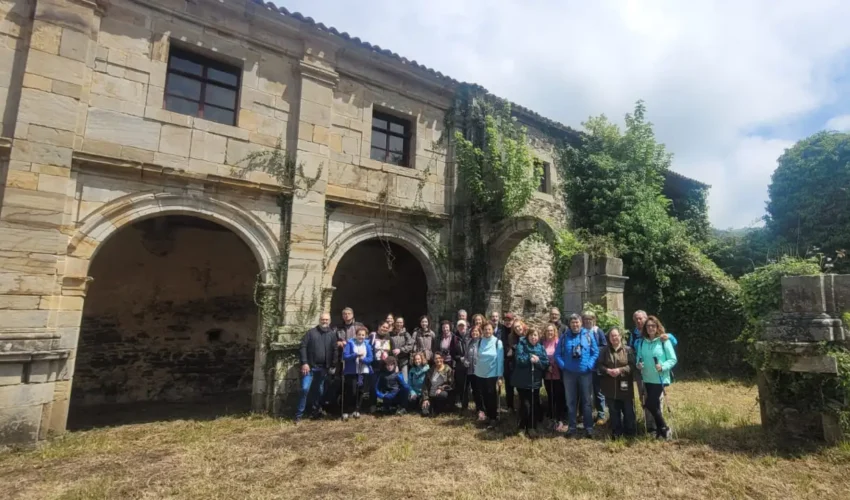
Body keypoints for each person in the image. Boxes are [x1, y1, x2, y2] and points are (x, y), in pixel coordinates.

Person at [630, 309, 677, 433]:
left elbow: (673, 359)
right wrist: (638, 364)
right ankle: (658, 429)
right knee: (651, 403)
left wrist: (663, 366)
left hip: (660, 377)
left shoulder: (664, 340)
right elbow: (638, 356)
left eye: (653, 325)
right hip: (646, 377)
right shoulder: (641, 342)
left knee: (651, 403)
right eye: (648, 326)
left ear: (657, 327)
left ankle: (663, 427)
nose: (650, 328)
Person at [556, 314, 599, 438]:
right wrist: (564, 366)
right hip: (569, 374)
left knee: (587, 401)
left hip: (585, 373)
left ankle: (588, 427)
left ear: (581, 323)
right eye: (573, 322)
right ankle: (572, 427)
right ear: (570, 324)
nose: (575, 325)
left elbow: (595, 352)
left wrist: (589, 365)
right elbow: (557, 354)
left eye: (577, 322)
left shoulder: (588, 335)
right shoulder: (564, 337)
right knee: (570, 401)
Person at [295, 312, 338, 423]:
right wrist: (304, 363)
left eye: (327, 320)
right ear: (319, 320)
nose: (325, 321)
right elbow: (303, 347)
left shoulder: (332, 334)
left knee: (319, 390)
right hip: (309, 367)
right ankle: (299, 415)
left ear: (330, 321)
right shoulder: (311, 333)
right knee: (305, 389)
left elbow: (335, 350)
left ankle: (316, 412)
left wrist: (333, 365)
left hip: (323, 368)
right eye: (323, 319)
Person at [597, 327, 636, 438]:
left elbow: (632, 366)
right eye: (612, 336)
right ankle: (617, 432)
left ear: (620, 336)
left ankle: (630, 432)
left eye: (616, 335)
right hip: (610, 386)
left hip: (625, 386)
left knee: (628, 410)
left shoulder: (628, 350)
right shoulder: (604, 351)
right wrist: (607, 371)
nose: (614, 338)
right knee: (614, 411)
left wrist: (620, 370)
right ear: (609, 338)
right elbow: (599, 365)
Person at [511, 328, 549, 437]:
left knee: (534, 405)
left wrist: (538, 361)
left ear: (538, 337)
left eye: (535, 335)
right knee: (525, 405)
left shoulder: (541, 347)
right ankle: (522, 427)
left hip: (535, 382)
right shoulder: (521, 345)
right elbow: (519, 359)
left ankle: (532, 427)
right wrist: (529, 357)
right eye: (531, 335)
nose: (533, 337)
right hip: (522, 381)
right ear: (527, 336)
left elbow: (545, 363)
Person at [474, 322, 504, 429]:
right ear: (483, 330)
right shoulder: (479, 341)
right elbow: (477, 357)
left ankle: (493, 418)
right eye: (485, 329)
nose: (487, 331)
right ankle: (487, 415)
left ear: (492, 330)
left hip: (492, 374)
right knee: (483, 396)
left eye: (489, 329)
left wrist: (500, 376)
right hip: (480, 373)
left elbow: (500, 360)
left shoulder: (497, 342)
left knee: (491, 396)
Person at [582, 310, 608, 425]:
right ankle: (587, 415)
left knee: (598, 392)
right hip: (584, 367)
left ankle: (601, 415)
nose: (588, 321)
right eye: (586, 319)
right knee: (585, 392)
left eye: (590, 319)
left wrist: (593, 349)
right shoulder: (581, 331)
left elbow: (604, 346)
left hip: (596, 367)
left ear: (594, 320)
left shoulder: (598, 331)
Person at [342, 326, 373, 421]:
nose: (361, 336)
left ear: (365, 336)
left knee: (360, 391)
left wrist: (363, 359)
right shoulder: (350, 343)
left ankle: (357, 410)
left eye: (363, 335)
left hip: (363, 371)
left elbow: (370, 358)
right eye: (359, 334)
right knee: (351, 391)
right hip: (351, 371)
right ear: (356, 335)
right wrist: (355, 355)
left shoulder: (367, 345)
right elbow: (345, 356)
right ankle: (346, 410)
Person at [541, 322, 566, 432]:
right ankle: (552, 418)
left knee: (559, 396)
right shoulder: (543, 343)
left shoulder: (558, 342)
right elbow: (541, 357)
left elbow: (562, 355)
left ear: (555, 331)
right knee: (550, 396)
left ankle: (560, 419)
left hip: (558, 374)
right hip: (548, 374)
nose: (549, 332)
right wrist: (547, 366)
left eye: (551, 330)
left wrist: (555, 364)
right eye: (548, 331)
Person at [368, 321, 393, 412]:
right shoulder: (373, 336)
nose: (384, 329)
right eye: (383, 327)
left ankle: (385, 405)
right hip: (374, 365)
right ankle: (373, 404)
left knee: (386, 385)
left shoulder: (389, 338)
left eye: (386, 328)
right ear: (379, 326)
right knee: (373, 385)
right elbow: (368, 348)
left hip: (385, 366)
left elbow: (392, 352)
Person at [504, 319, 527, 412]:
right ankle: (510, 407)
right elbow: (509, 352)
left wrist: (514, 348)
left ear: (523, 325)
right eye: (515, 327)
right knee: (510, 387)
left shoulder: (528, 335)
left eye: (519, 326)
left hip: (525, 365)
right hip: (513, 365)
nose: (517, 328)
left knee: (523, 389)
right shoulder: (511, 337)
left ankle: (524, 408)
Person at [465, 325, 485, 419]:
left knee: (481, 391)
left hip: (480, 371)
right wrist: (465, 361)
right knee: (475, 391)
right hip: (471, 371)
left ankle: (483, 409)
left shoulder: (483, 342)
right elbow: (466, 355)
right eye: (473, 331)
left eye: (476, 331)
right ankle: (479, 409)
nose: (474, 333)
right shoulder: (469, 342)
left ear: (480, 333)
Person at [451, 320, 471, 411]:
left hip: (471, 364)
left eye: (463, 326)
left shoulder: (470, 336)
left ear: (466, 326)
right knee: (462, 385)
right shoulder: (454, 338)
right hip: (460, 364)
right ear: (457, 327)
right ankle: (464, 404)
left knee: (473, 385)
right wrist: (460, 358)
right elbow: (452, 352)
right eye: (460, 326)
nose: (461, 327)